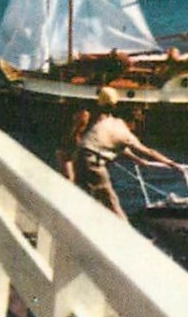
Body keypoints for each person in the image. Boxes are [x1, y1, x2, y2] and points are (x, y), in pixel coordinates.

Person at [74, 87, 177, 220]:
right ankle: (127, 233)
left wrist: (137, 160)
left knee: (90, 196)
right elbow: (148, 151)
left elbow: (116, 145)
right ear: (132, 122)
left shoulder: (111, 122)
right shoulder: (125, 133)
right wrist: (171, 163)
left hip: (81, 158)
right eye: (137, 123)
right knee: (112, 202)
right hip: (92, 163)